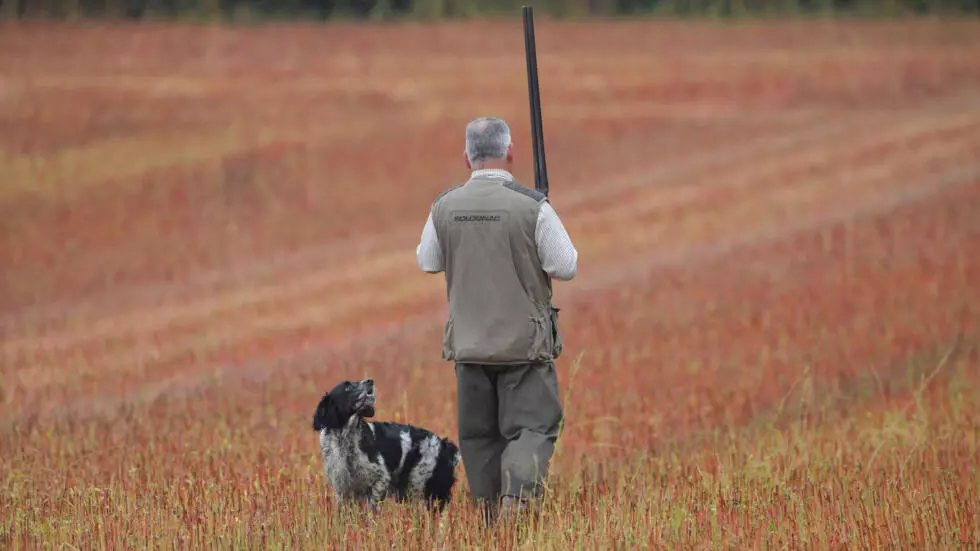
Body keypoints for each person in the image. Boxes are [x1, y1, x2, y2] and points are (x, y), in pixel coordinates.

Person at [415, 116, 578, 522]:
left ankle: (488, 516)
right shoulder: (531, 206)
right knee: (533, 429)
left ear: (467, 158)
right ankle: (517, 505)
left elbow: (427, 261)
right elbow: (566, 265)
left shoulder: (444, 206)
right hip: (524, 347)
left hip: (469, 347)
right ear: (510, 152)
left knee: (478, 436)